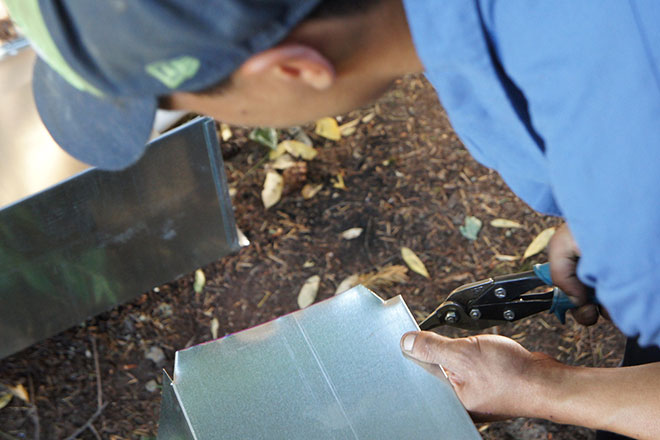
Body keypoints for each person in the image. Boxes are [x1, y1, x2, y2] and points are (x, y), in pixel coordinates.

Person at [5, 0, 660, 438]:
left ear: (293, 69)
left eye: (195, 106)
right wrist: (597, 212)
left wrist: (548, 387)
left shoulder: (631, 173)